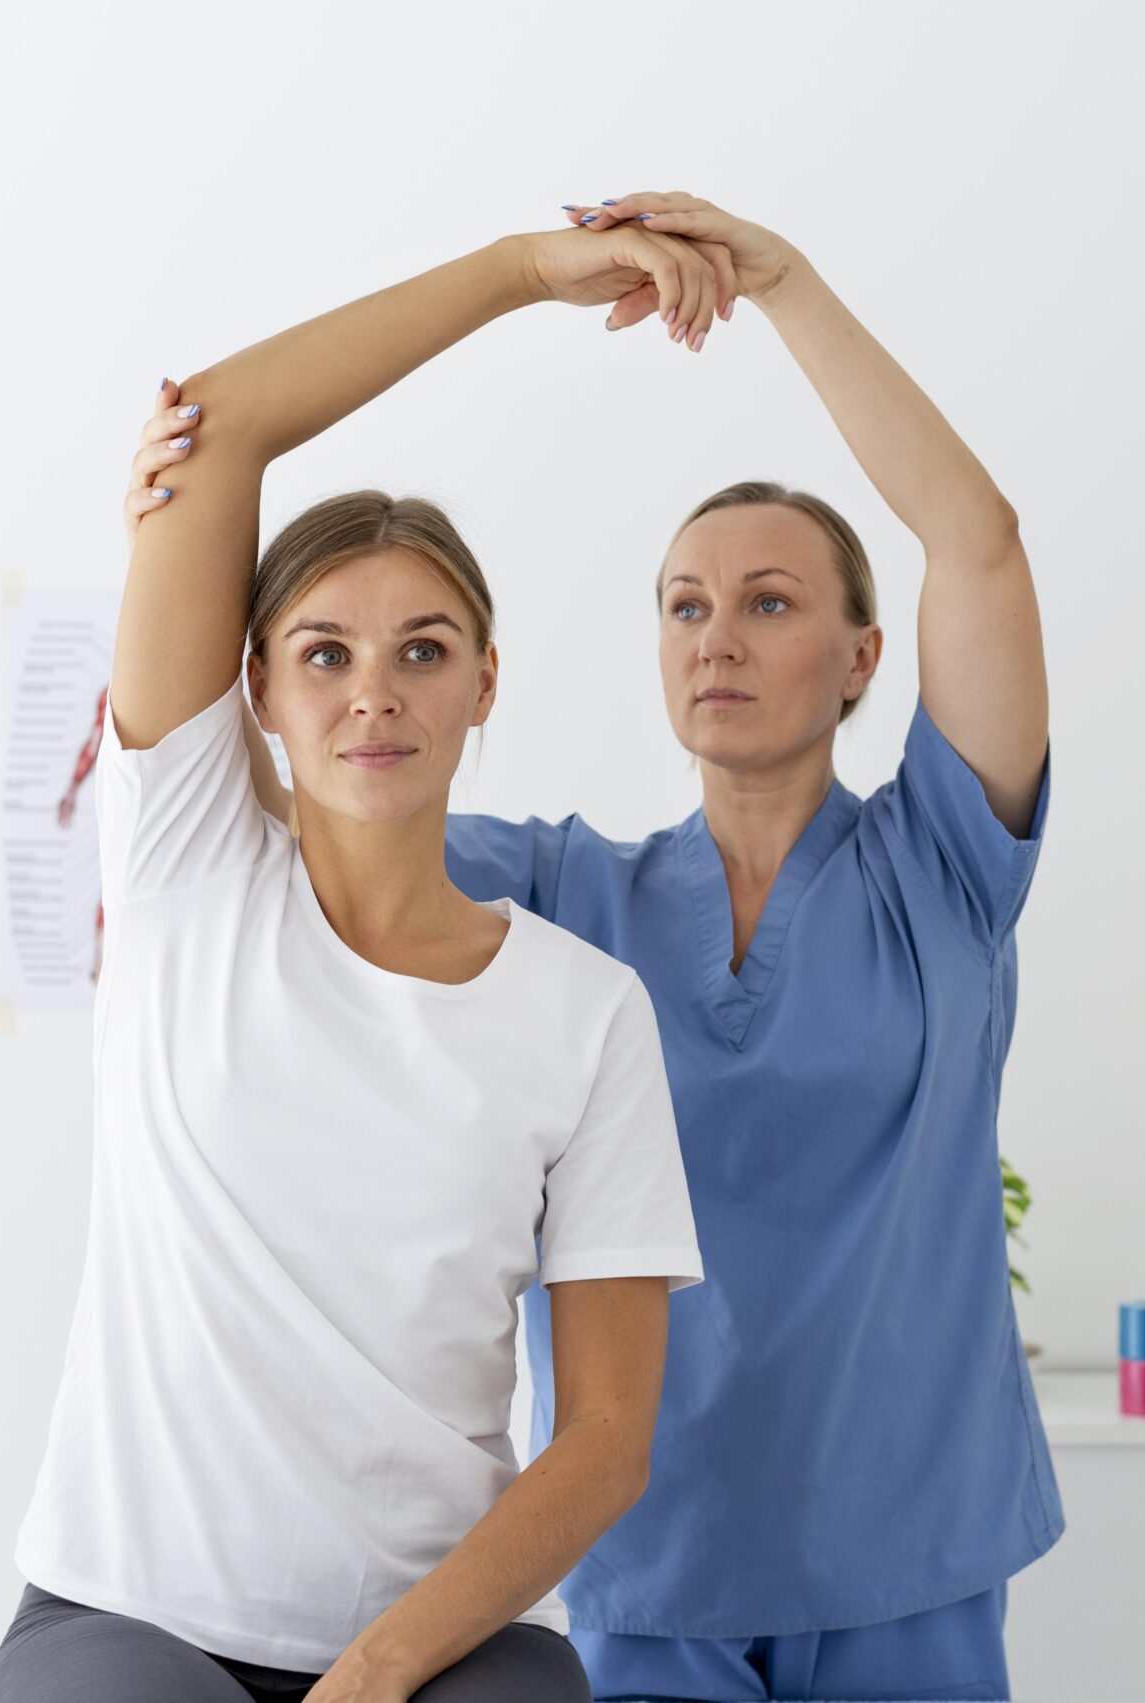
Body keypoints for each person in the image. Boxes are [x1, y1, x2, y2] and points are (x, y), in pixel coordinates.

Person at [126, 191, 1057, 1703]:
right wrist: (189, 539)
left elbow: (980, 540)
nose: (718, 640)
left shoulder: (943, 877)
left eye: (769, 604)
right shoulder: (561, 892)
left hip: (908, 1559)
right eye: (686, 606)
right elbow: (324, 755)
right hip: (647, 1571)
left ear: (863, 657)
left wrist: (789, 285)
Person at [0, 218, 733, 1703]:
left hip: (437, 1643)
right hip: (130, 1618)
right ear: (254, 685)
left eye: (424, 649)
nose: (373, 693)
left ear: (485, 684)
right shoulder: (186, 858)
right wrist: (526, 273)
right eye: (324, 651)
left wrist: (385, 1666)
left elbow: (605, 1436)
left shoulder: (586, 1017)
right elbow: (223, 420)